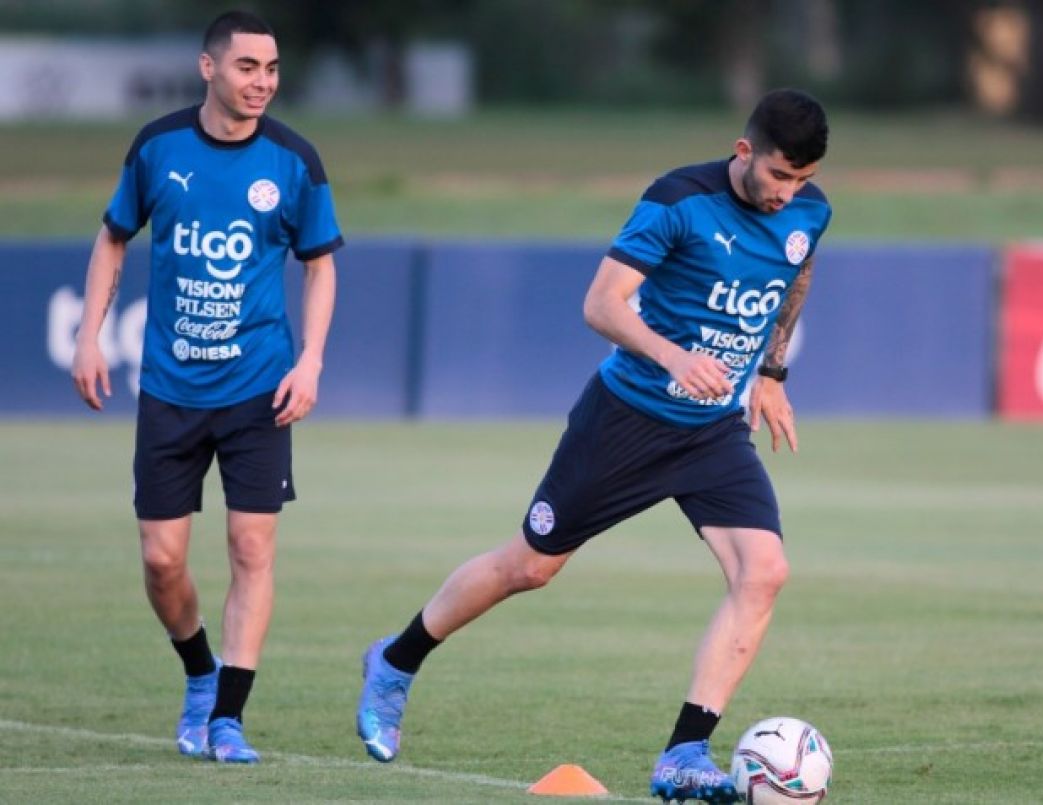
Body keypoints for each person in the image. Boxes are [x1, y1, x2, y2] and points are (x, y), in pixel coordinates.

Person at [356, 88, 831, 803]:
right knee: (529, 566)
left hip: (710, 432)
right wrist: (673, 356)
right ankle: (395, 660)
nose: (788, 194)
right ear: (744, 152)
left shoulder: (808, 210)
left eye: (803, 179)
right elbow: (601, 303)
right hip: (626, 418)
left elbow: (797, 268)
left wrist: (770, 371)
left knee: (763, 571)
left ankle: (684, 751)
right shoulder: (677, 199)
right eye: (778, 176)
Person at [71, 10, 342, 764]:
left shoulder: (295, 160)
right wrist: (89, 334)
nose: (263, 83)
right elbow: (112, 236)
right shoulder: (159, 146)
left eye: (273, 69)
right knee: (162, 561)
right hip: (170, 386)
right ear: (208, 68)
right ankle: (198, 671)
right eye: (248, 67)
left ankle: (228, 717)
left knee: (252, 547)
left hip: (259, 387)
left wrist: (312, 358)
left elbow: (320, 264)